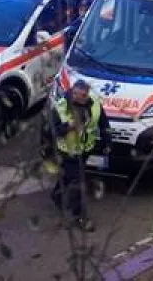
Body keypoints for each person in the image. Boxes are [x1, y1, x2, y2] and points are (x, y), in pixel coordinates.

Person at [49, 79, 111, 231]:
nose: (82, 98)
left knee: (69, 177)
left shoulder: (94, 103)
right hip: (68, 152)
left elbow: (104, 124)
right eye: (78, 95)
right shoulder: (61, 107)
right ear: (73, 92)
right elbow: (52, 131)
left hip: (85, 150)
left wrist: (107, 142)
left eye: (84, 95)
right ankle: (80, 217)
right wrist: (68, 126)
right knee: (77, 182)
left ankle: (57, 195)